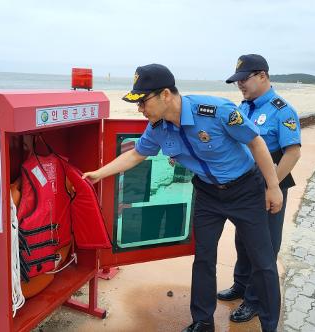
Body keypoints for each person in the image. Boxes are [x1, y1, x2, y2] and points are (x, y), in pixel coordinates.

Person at [83, 63, 283, 332]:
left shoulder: (216, 112)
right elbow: (136, 154)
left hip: (245, 190)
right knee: (203, 258)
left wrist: (273, 186)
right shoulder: (158, 128)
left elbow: (255, 143)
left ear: (165, 94)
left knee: (263, 260)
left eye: (143, 101)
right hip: (208, 194)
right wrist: (98, 173)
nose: (139, 108)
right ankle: (202, 321)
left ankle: (270, 326)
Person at [217, 54, 301, 325]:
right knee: (242, 240)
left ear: (262, 76)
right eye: (237, 80)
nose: (240, 84)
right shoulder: (244, 107)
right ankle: (240, 286)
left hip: (269, 187)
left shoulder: (282, 110)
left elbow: (293, 153)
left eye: (244, 79)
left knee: (263, 246)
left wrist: (271, 186)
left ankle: (254, 300)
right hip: (244, 188)